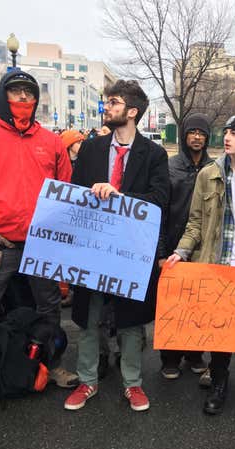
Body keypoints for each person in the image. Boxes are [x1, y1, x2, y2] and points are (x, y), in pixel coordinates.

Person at [0, 70, 79, 410]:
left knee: (50, 310)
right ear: (3, 96)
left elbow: (65, 191)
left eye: (29, 93)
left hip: (41, 244)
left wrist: (59, 236)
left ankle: (51, 366)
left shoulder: (51, 142)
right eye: (16, 91)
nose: (22, 99)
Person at [64, 80, 169, 412]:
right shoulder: (92, 149)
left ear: (132, 111)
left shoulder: (154, 154)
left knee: (130, 322)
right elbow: (73, 196)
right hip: (93, 249)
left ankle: (132, 384)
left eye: (113, 102)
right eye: (106, 102)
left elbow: (159, 200)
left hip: (130, 251)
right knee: (89, 316)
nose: (106, 107)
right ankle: (87, 381)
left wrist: (122, 197)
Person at [166, 114, 235, 415]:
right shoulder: (209, 174)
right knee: (220, 333)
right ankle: (219, 384)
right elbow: (196, 222)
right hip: (217, 265)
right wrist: (182, 251)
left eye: (234, 133)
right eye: (226, 132)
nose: (226, 138)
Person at [158, 113, 213, 380]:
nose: (196, 137)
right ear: (184, 135)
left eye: (202, 133)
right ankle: (170, 358)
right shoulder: (170, 167)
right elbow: (160, 211)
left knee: (199, 304)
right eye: (192, 132)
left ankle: (194, 354)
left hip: (202, 247)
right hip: (172, 244)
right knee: (172, 304)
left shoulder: (214, 168)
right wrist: (160, 252)